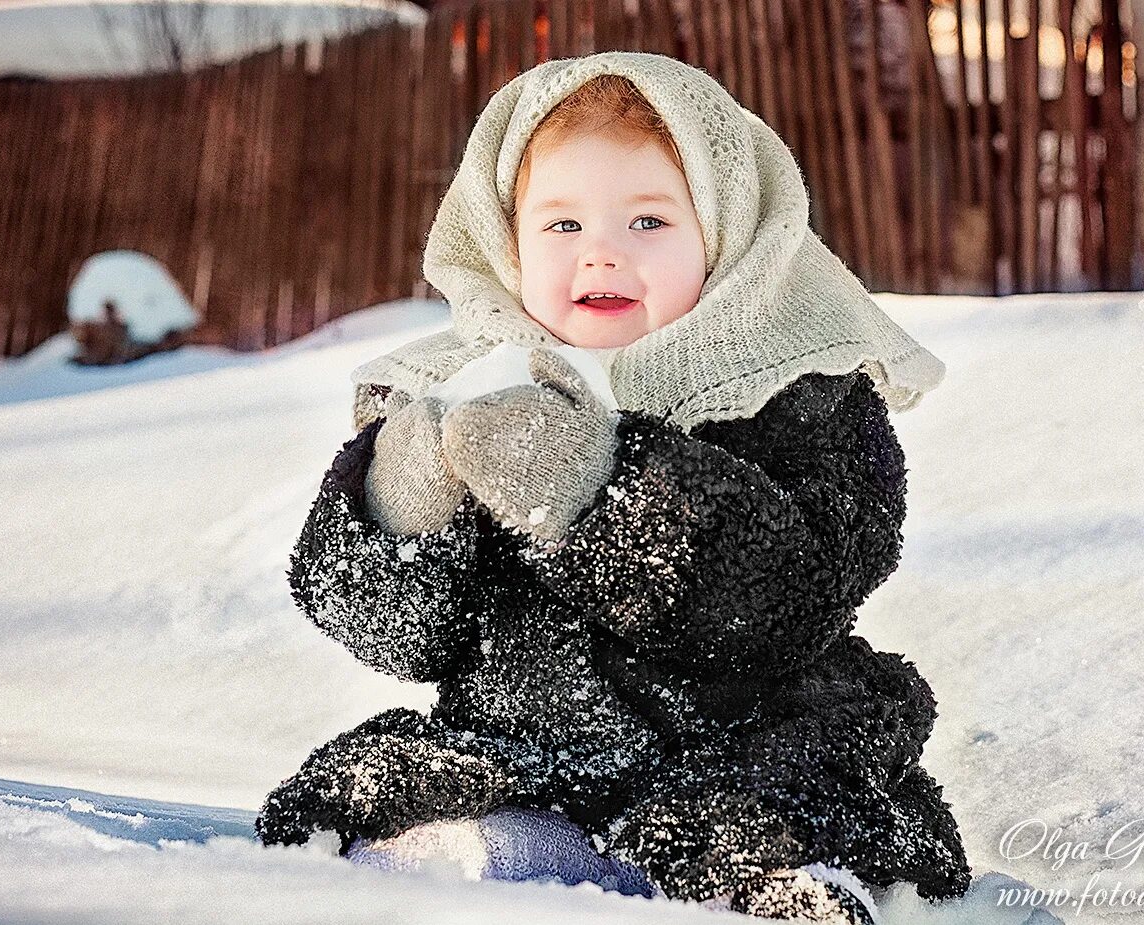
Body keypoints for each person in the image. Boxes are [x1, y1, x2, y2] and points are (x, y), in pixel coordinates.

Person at [256, 52, 971, 924]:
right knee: (378, 795)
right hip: (537, 746)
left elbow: (796, 590)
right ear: (504, 239)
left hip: (751, 746)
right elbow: (398, 634)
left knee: (758, 820)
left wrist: (597, 485)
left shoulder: (801, 390)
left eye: (646, 221)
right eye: (560, 225)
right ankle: (503, 857)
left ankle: (801, 891)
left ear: (726, 233)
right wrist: (406, 488)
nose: (600, 250)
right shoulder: (469, 385)